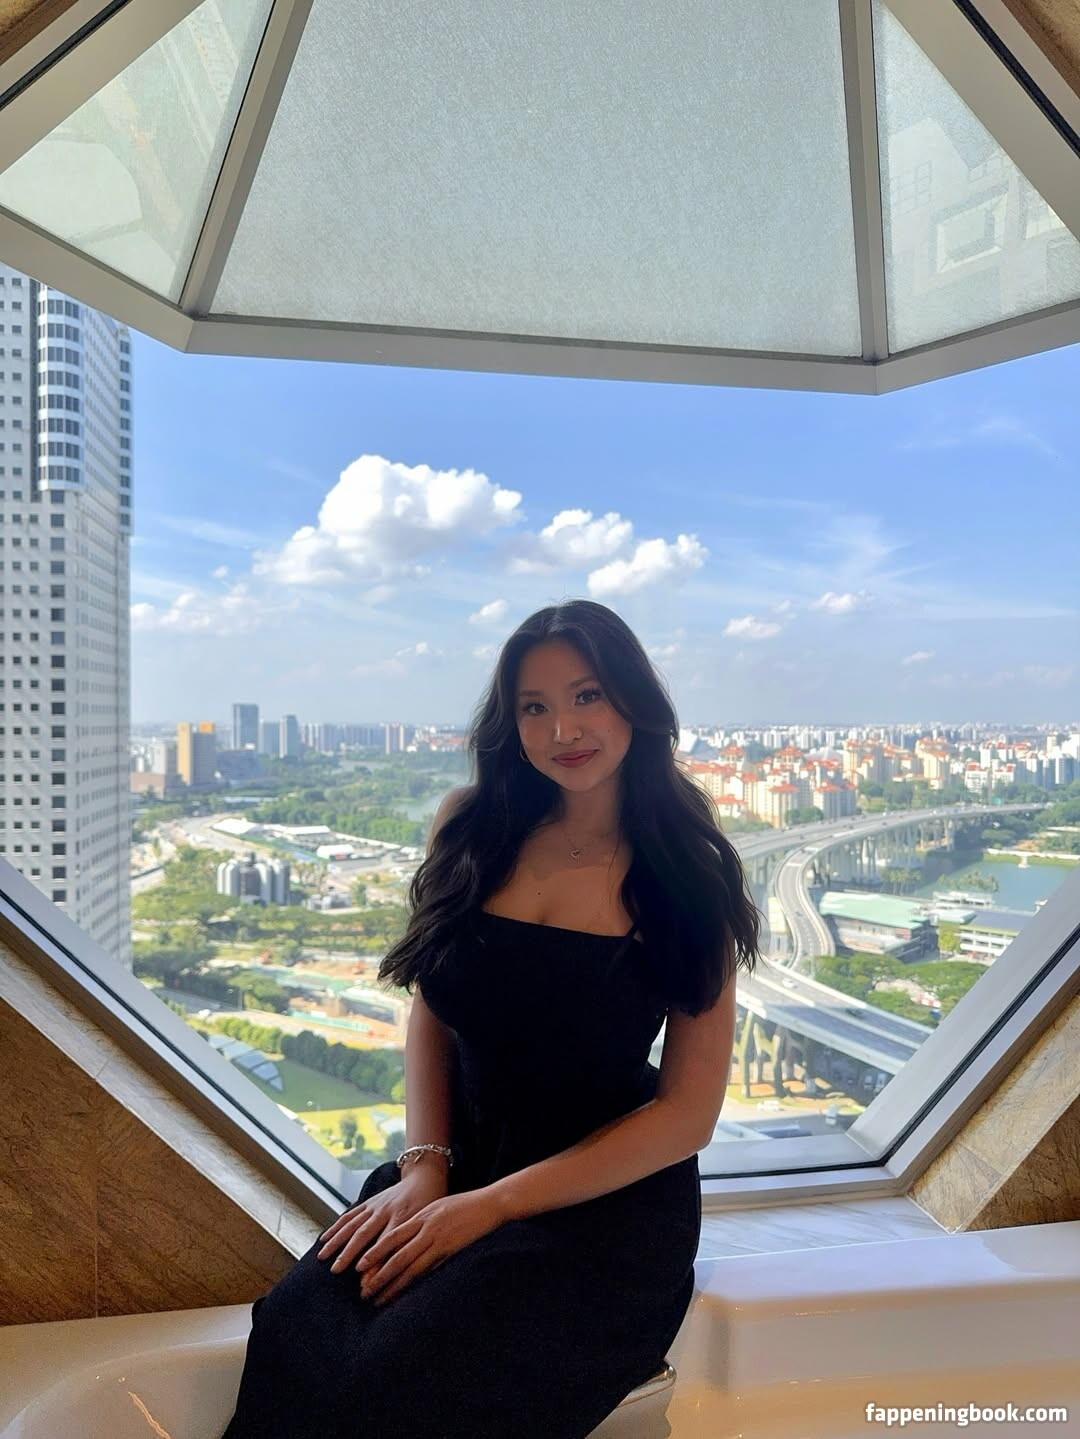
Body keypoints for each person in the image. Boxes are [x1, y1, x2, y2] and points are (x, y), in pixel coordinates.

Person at [221, 598, 760, 1438]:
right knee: (293, 1328)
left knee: (392, 1382)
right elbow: (432, 1006)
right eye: (534, 706)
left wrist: (495, 1206)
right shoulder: (471, 826)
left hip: (599, 1208)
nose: (562, 729)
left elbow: (687, 1114)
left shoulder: (686, 874)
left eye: (587, 695)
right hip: (460, 1163)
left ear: (634, 700)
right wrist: (425, 1169)